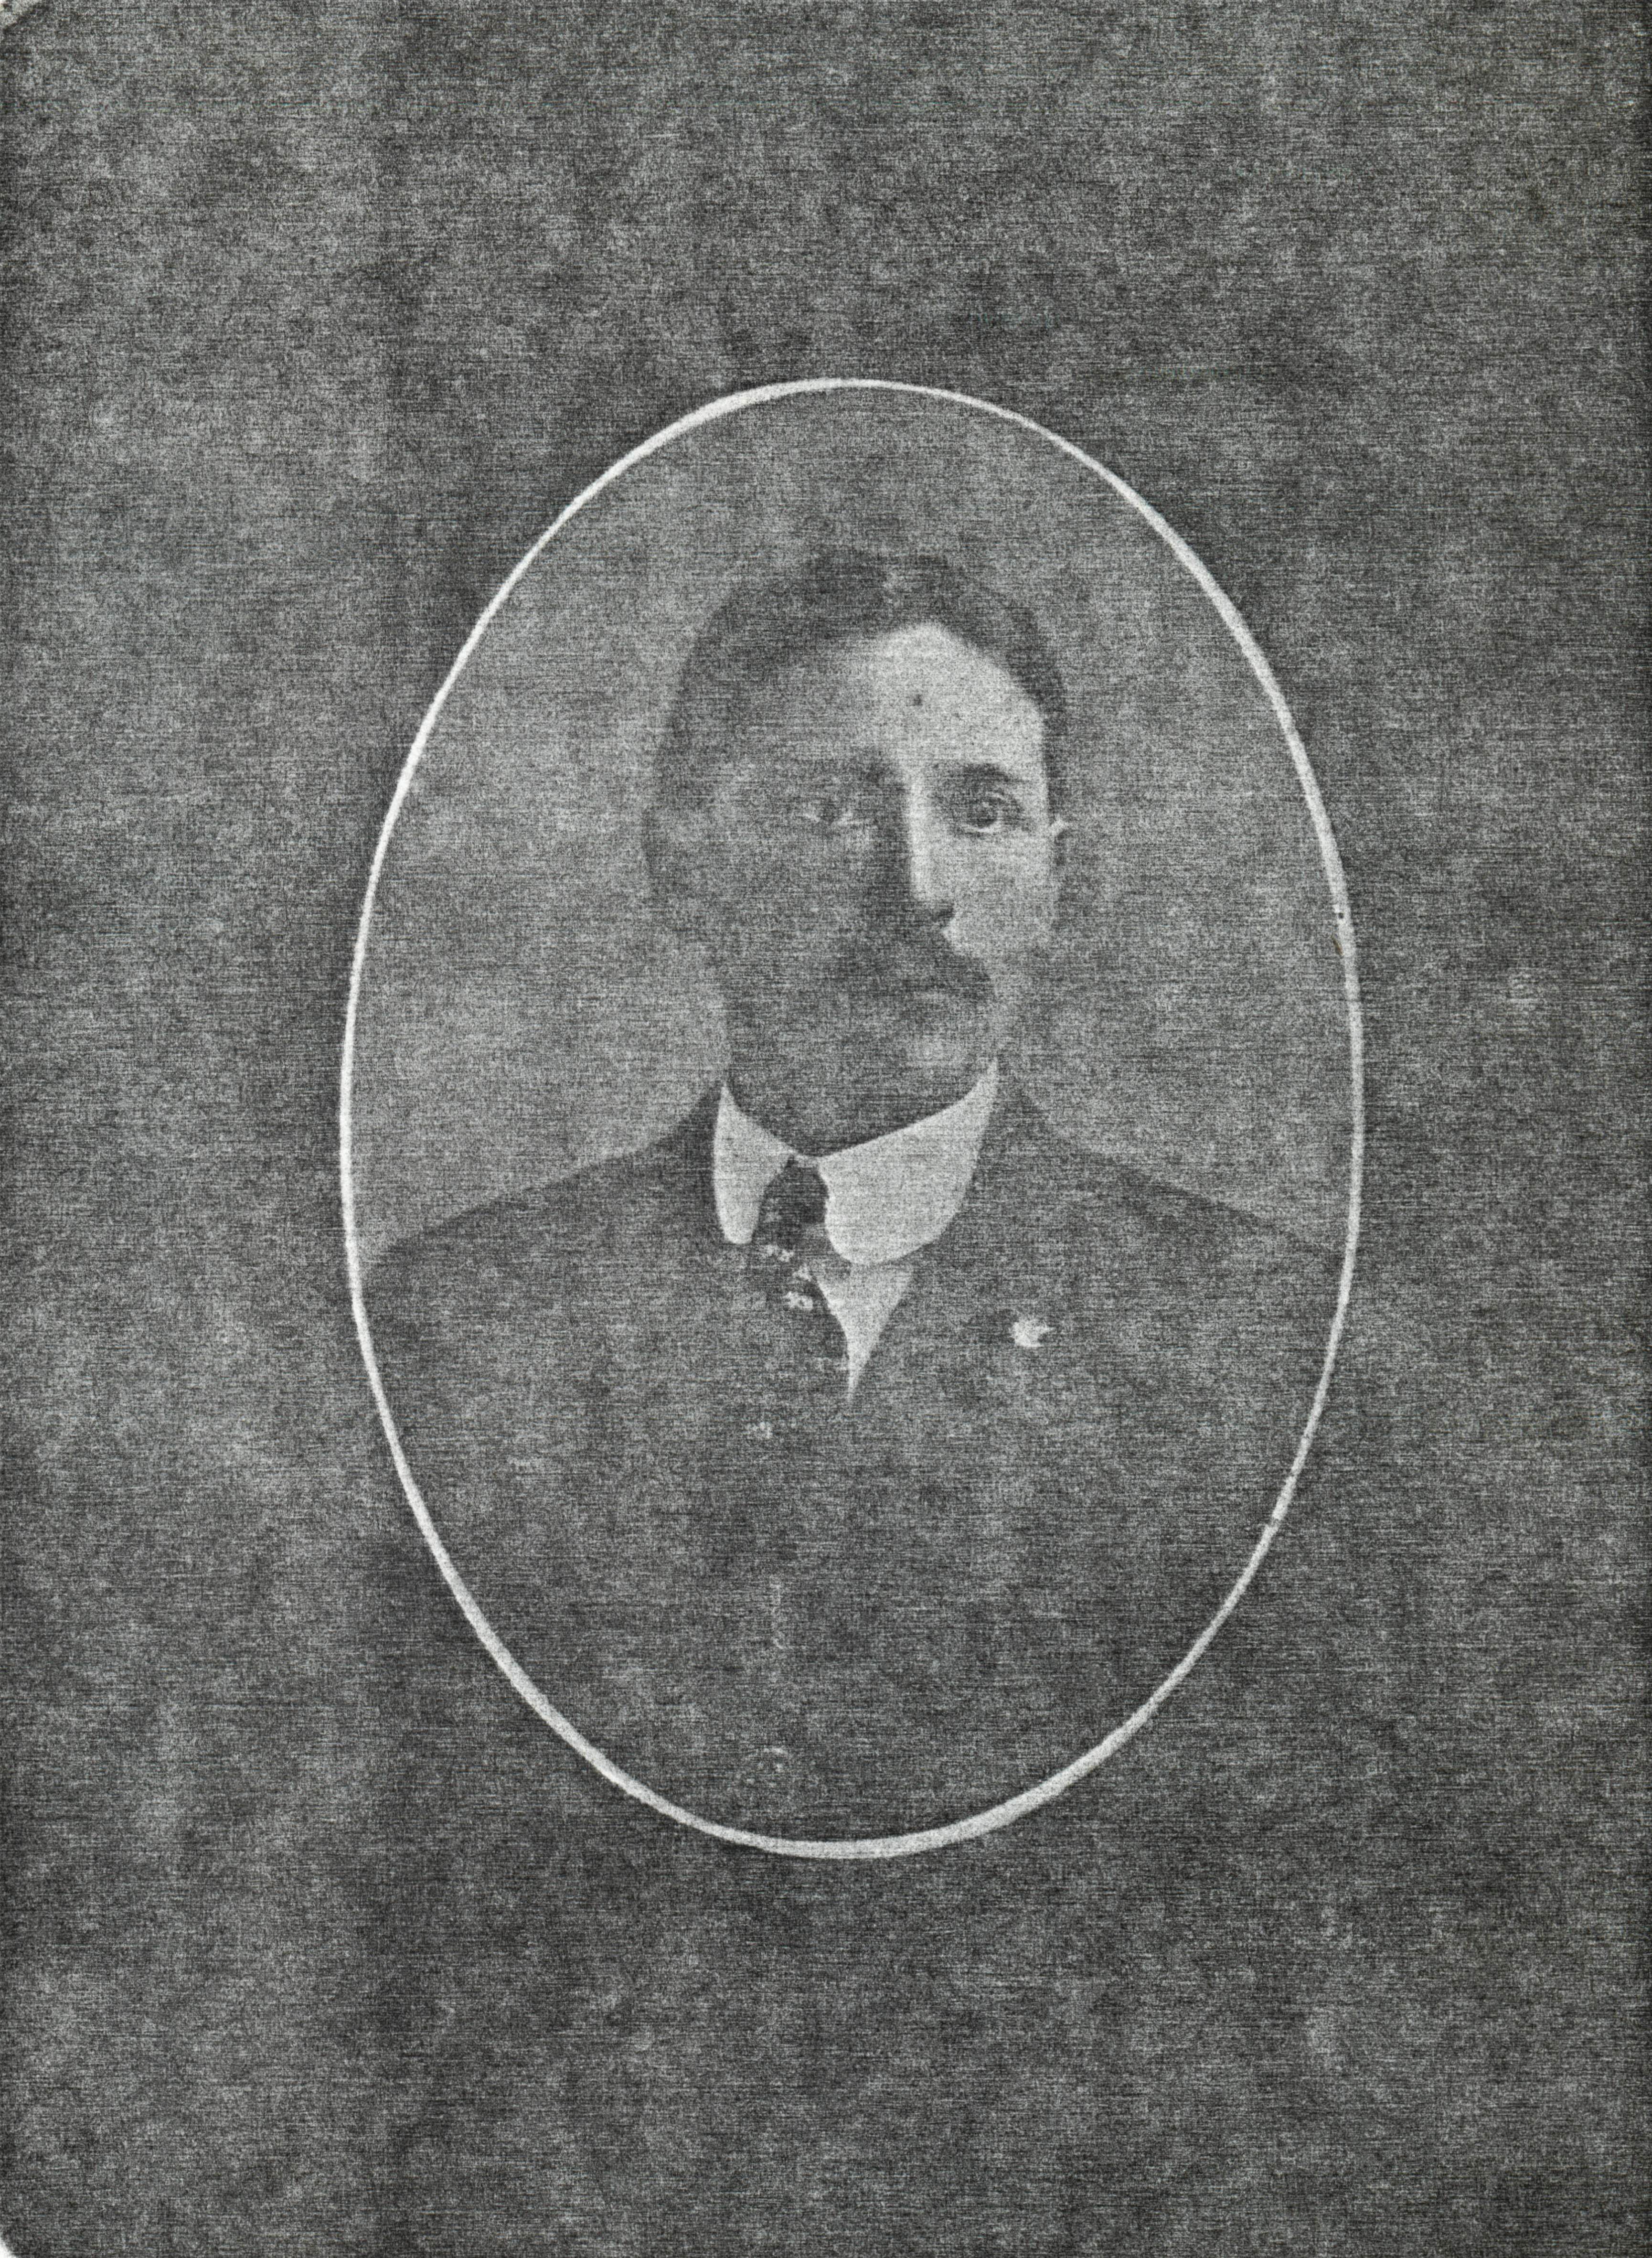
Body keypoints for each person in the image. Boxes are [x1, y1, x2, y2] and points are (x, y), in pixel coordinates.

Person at [365, 551, 1335, 1837]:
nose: (919, 889)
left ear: (1059, 875)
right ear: (680, 866)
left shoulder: (1260, 1333)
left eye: (981, 812)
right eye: (832, 809)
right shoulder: (457, 1321)